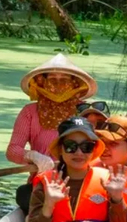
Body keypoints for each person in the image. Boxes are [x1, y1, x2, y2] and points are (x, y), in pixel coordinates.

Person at [7, 54, 97, 210]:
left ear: (74, 83)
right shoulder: (30, 112)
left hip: (82, 181)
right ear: (42, 81)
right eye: (53, 79)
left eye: (64, 80)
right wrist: (33, 156)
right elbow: (12, 150)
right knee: (24, 195)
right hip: (43, 182)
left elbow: (103, 146)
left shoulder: (86, 111)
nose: (58, 85)